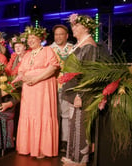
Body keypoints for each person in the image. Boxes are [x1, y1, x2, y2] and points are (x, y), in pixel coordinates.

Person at [61, 14, 101, 166]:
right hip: (73, 92)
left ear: (85, 28)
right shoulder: (80, 44)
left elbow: (89, 74)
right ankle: (72, 155)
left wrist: (80, 95)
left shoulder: (89, 45)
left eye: (76, 26)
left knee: (80, 126)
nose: (73, 29)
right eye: (73, 26)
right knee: (73, 124)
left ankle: (80, 160)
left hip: (80, 93)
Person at [15, 26, 60, 158]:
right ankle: (27, 146)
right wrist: (24, 77)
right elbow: (21, 70)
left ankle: (41, 148)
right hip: (29, 89)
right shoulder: (27, 54)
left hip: (43, 87)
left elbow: (53, 68)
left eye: (33, 38)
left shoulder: (48, 50)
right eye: (29, 39)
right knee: (29, 114)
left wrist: (36, 78)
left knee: (42, 114)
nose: (30, 41)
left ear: (41, 38)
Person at [50, 24, 74, 152]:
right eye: (56, 34)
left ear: (67, 36)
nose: (58, 37)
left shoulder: (72, 49)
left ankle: (64, 141)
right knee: (52, 115)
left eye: (61, 34)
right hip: (51, 86)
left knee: (65, 114)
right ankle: (52, 140)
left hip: (67, 87)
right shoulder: (48, 49)